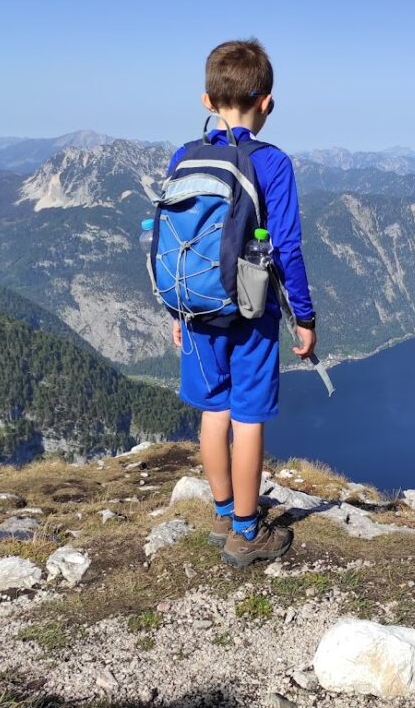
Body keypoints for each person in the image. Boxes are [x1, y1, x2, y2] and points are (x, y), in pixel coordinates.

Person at [167, 39, 317, 567]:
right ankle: (248, 534)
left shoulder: (184, 157)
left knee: (215, 410)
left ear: (206, 100)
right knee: (249, 417)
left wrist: (177, 312)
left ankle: (226, 510)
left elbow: (174, 241)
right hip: (252, 313)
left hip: (197, 308)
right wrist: (305, 318)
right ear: (267, 103)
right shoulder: (271, 162)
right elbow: (288, 249)